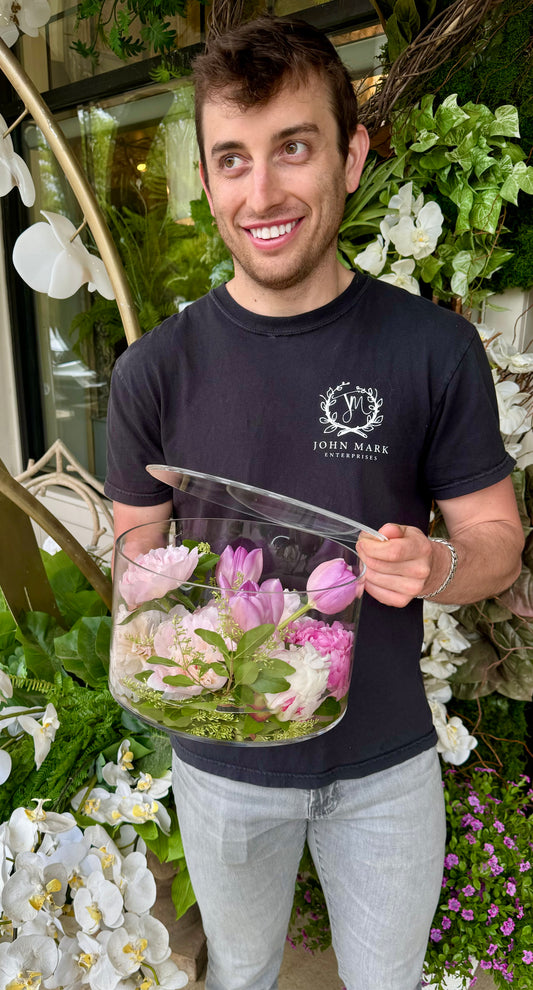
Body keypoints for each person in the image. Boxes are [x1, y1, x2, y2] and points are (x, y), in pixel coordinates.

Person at [104, 15, 524, 990]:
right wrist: (161, 602)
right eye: (231, 159)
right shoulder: (152, 374)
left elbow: (496, 541)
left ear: (350, 155)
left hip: (384, 769)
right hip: (220, 773)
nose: (261, 190)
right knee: (241, 974)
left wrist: (436, 566)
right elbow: (140, 558)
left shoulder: (430, 351)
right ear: (204, 182)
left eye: (292, 147)